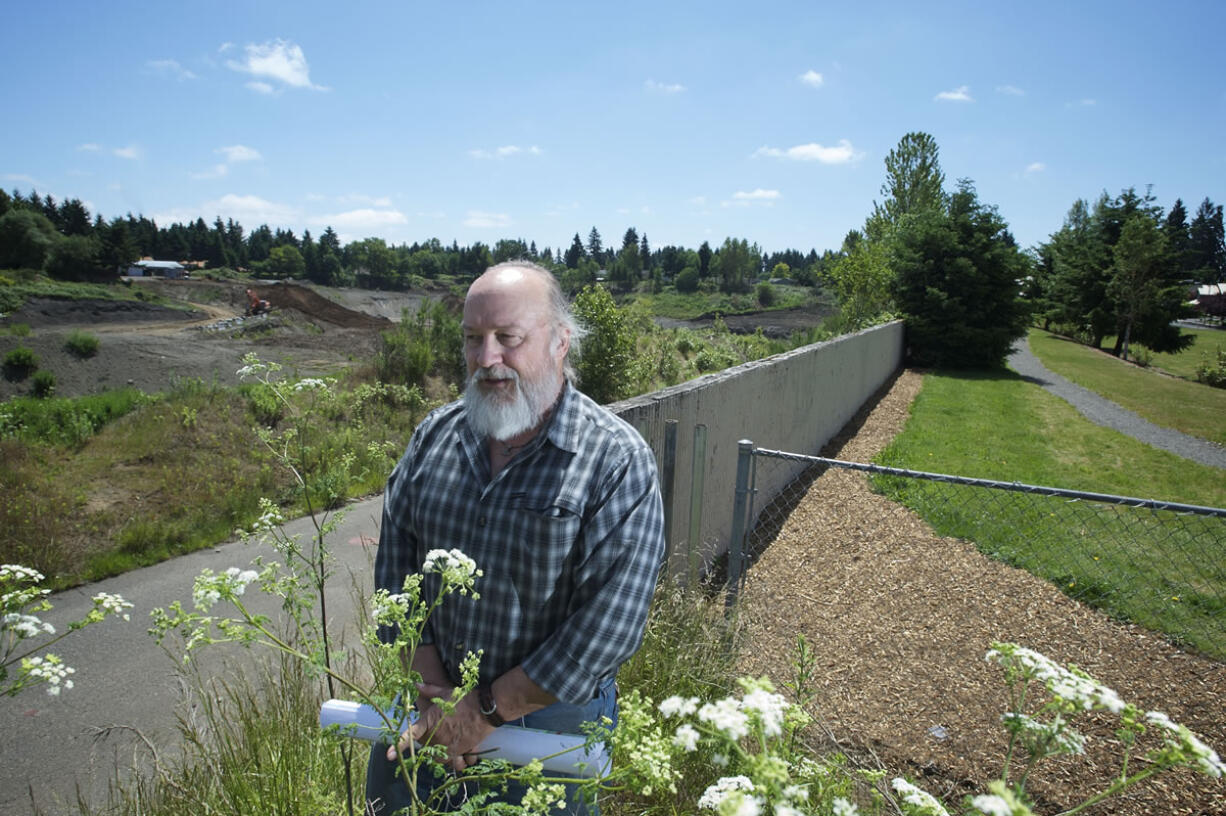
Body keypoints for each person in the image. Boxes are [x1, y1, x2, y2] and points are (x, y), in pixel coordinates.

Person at [366, 261, 667, 815]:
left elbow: (610, 625)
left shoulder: (615, 460)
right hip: (426, 712)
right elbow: (395, 576)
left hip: (544, 734)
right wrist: (436, 695)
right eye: (473, 340)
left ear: (560, 342)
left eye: (508, 338)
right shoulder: (433, 437)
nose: (487, 360)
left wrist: (481, 711)